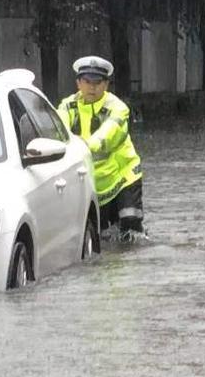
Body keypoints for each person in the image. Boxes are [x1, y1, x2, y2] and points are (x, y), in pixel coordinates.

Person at [57, 55, 144, 242]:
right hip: (94, 183)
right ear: (78, 83)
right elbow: (59, 130)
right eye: (87, 81)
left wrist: (83, 145)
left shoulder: (118, 107)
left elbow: (108, 133)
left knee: (130, 228)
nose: (92, 87)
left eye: (97, 82)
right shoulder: (67, 106)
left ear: (106, 85)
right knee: (102, 237)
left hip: (123, 177)